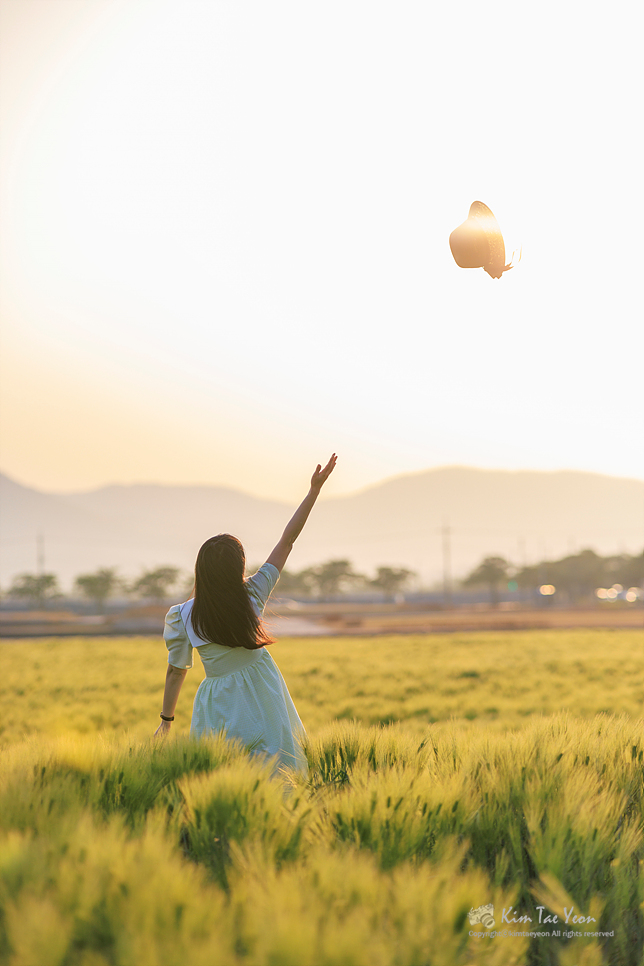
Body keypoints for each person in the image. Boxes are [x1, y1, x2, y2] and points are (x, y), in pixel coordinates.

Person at [154, 454, 337, 775]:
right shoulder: (254, 591)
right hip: (261, 686)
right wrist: (313, 493)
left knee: (220, 771)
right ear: (238, 567)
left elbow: (176, 672)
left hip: (216, 697)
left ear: (202, 571)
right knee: (278, 766)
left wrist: (167, 723)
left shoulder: (181, 616)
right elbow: (288, 540)